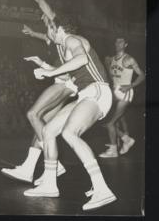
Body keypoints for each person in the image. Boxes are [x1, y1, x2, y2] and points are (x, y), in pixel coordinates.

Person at [22, 18, 117, 211]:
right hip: (85, 94)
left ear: (58, 29)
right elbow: (65, 76)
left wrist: (49, 74)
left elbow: (81, 59)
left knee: (69, 133)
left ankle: (102, 189)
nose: (47, 32)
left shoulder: (72, 39)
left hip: (97, 91)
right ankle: (49, 184)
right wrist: (44, 66)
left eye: (49, 29)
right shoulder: (66, 48)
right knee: (48, 131)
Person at [1, 0, 78, 184]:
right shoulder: (54, 38)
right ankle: (27, 168)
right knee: (42, 124)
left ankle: (56, 165)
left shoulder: (58, 26)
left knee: (33, 114)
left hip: (66, 82)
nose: (43, 18)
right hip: (64, 82)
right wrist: (33, 34)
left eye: (45, 18)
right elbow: (45, 37)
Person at [99, 37, 145, 157]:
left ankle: (114, 149)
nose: (117, 44)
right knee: (112, 120)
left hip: (125, 92)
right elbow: (112, 76)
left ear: (125, 44)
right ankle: (125, 140)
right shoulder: (112, 59)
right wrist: (106, 64)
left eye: (120, 42)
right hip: (115, 91)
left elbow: (142, 75)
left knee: (110, 123)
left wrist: (130, 86)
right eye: (116, 41)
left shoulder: (129, 59)